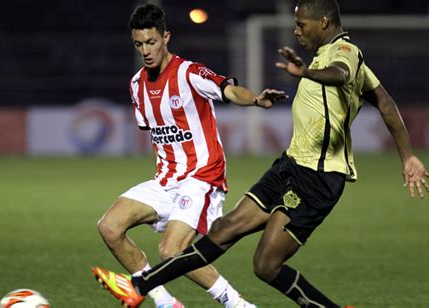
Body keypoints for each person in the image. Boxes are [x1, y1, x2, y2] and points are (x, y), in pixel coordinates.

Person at [93, 0, 429, 307]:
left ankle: (143, 287)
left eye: (302, 24)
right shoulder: (327, 58)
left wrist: (304, 74)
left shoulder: (345, 53)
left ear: (324, 23)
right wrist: (408, 156)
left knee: (265, 265)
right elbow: (385, 102)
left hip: (318, 176)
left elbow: (339, 74)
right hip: (288, 164)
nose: (296, 30)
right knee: (224, 229)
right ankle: (141, 288)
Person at [91, 4, 286, 308]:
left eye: (151, 42)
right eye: (139, 44)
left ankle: (239, 305)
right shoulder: (136, 85)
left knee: (170, 251)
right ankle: (164, 301)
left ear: (166, 37)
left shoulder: (190, 73)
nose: (145, 50)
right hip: (166, 179)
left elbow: (229, 90)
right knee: (109, 226)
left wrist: (257, 100)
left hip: (202, 178)